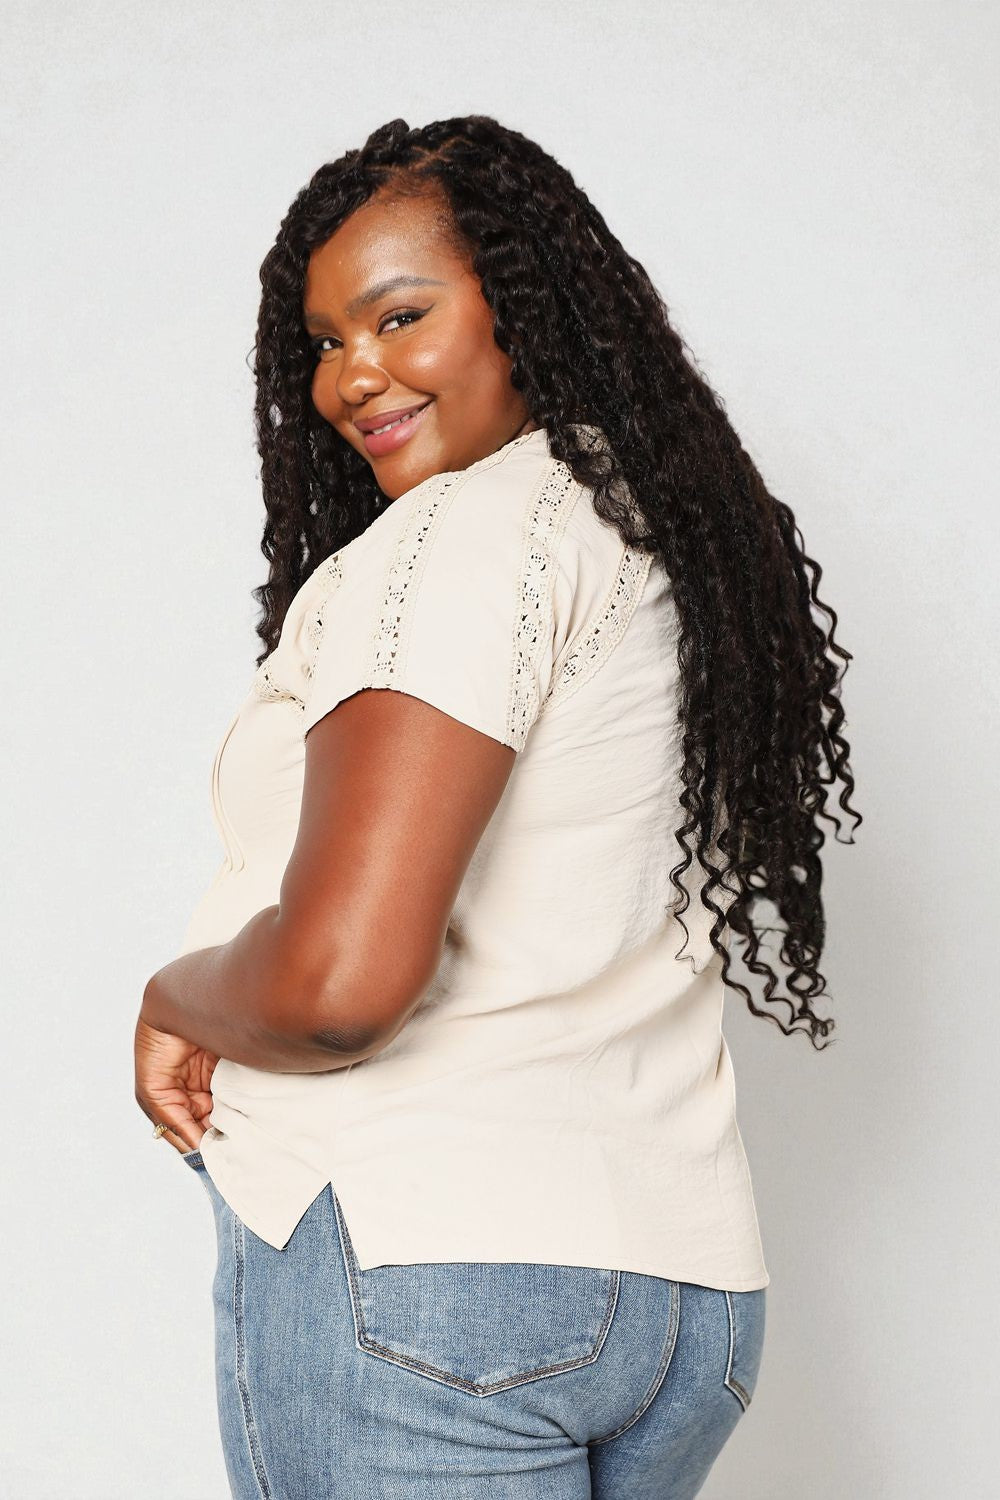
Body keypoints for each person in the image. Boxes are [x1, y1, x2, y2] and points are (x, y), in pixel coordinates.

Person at [133, 114, 861, 1498]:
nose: (354, 376)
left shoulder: (463, 539)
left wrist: (177, 997)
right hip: (675, 1296)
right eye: (324, 345)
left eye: (400, 316)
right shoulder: (661, 534)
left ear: (524, 304)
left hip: (430, 1282)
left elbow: (342, 983)